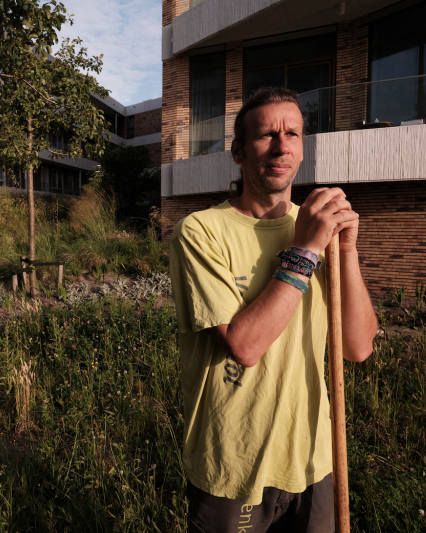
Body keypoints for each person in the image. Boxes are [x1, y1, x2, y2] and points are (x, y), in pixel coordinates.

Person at [169, 87, 377, 533]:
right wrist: (306, 249)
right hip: (234, 464)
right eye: (266, 135)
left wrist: (346, 249)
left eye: (293, 134)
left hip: (313, 457)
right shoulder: (202, 231)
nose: (282, 145)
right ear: (239, 153)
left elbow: (358, 347)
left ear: (302, 148)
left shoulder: (319, 229)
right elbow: (243, 346)